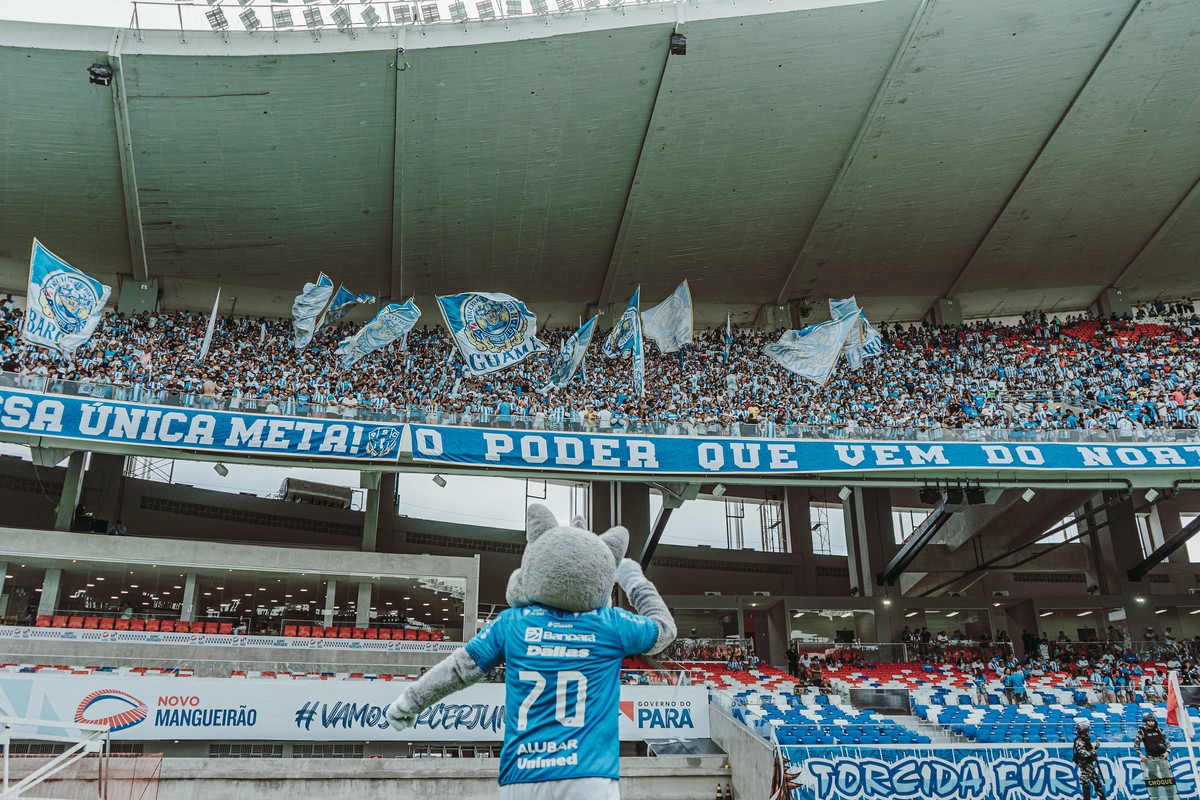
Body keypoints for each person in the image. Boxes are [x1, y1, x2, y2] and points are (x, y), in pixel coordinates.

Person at [1134, 712, 1178, 800]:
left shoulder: (1159, 730)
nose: (1151, 722)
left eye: (1152, 720)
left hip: (1162, 759)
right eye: (1149, 721)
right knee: (1153, 782)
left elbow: (1168, 743)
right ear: (1146, 722)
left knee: (1168, 780)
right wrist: (1141, 755)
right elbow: (1136, 745)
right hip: (1150, 759)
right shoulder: (1142, 731)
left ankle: (1171, 798)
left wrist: (1167, 752)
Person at [1072, 718, 1107, 800]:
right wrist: (1094, 751)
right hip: (1084, 765)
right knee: (1086, 784)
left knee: (1097, 783)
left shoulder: (1086, 740)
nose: (1088, 732)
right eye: (1087, 731)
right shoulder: (1079, 741)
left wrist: (1095, 748)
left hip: (1089, 765)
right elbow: (1083, 753)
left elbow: (1088, 751)